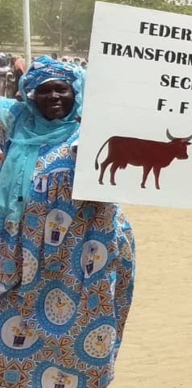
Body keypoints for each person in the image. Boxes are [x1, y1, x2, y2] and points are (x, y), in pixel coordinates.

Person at [0, 56, 136, 386]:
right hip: (22, 253)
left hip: (85, 253)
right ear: (29, 95)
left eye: (62, 89)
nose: (54, 97)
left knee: (82, 332)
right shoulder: (17, 126)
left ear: (76, 91)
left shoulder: (95, 132)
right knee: (16, 332)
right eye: (43, 91)